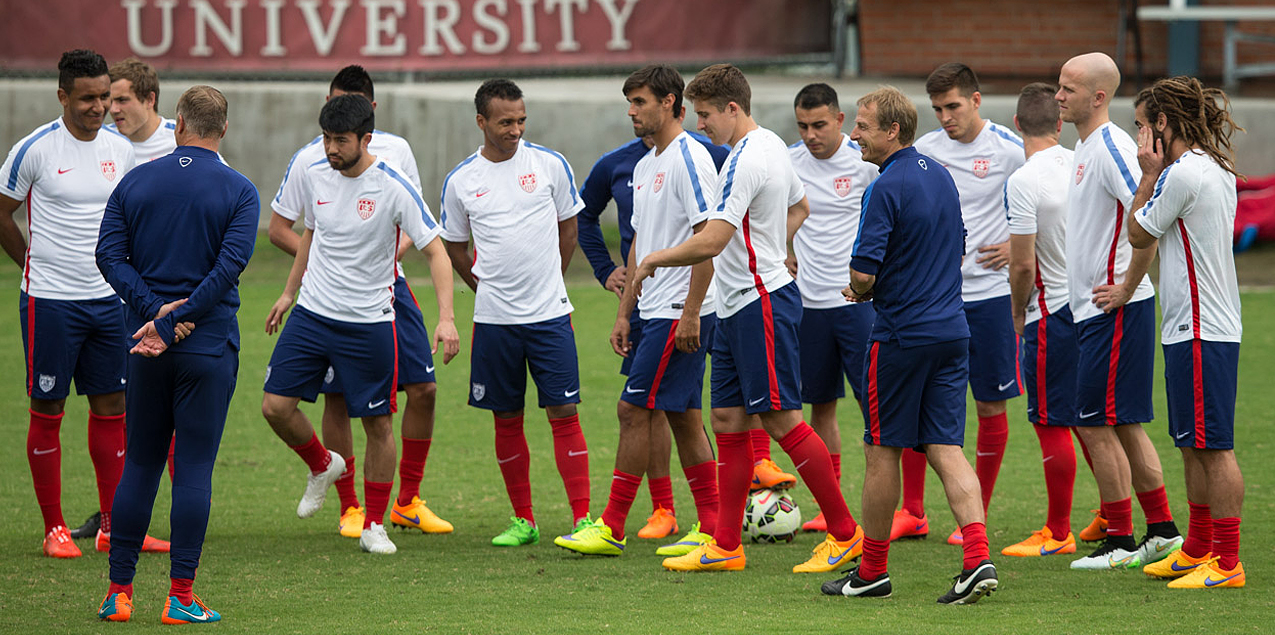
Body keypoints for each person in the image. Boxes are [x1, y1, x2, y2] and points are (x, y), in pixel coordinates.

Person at [632, 64, 861, 574]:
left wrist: (652, 259)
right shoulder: (772, 147)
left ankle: (846, 534)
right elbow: (800, 206)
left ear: (733, 108)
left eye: (707, 114)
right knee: (729, 421)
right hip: (738, 303)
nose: (700, 125)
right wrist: (775, 245)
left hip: (760, 301)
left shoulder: (746, 159)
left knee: (781, 419)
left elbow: (711, 240)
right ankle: (725, 545)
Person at [821, 86, 997, 604]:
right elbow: (957, 246)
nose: (853, 134)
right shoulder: (941, 174)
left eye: (863, 126)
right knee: (946, 446)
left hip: (899, 336)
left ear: (892, 131)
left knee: (882, 451)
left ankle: (872, 570)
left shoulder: (883, 185)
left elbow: (863, 271)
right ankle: (976, 558)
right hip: (952, 332)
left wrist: (858, 289)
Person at [261, 94, 457, 556]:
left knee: (377, 425)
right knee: (275, 407)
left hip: (369, 322)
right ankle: (321, 464)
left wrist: (446, 318)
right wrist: (289, 293)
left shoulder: (392, 186)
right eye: (327, 138)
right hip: (312, 314)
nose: (331, 148)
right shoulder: (315, 175)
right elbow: (312, 233)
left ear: (366, 139)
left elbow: (436, 251)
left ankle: (374, 524)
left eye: (341, 140)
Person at [94, 84, 256, 624]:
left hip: (145, 346)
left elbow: (108, 255)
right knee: (192, 471)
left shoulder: (135, 181)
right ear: (223, 129)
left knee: (139, 463)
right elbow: (228, 269)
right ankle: (181, 598)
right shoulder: (240, 191)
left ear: (179, 123)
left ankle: (119, 594)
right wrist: (180, 319)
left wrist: (155, 315)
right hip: (208, 350)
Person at [0, 49, 169, 558]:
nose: (101, 107)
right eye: (89, 98)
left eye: (105, 96)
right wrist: (33, 265)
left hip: (108, 302)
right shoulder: (35, 149)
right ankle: (53, 527)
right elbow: (3, 213)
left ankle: (113, 526)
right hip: (51, 302)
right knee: (48, 405)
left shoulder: (121, 147)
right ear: (63, 97)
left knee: (113, 407)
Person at [554, 64, 721, 557]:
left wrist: (691, 312)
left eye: (640, 102)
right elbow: (637, 250)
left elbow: (707, 242)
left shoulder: (691, 159)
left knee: (633, 408)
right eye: (629, 102)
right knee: (685, 416)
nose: (631, 111)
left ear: (670, 103)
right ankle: (713, 529)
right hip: (652, 311)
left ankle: (611, 526)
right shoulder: (647, 164)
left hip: (678, 311)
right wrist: (625, 312)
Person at [441, 79, 591, 547]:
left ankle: (584, 519)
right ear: (481, 122)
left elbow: (571, 228)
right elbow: (453, 244)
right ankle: (523, 520)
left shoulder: (549, 164)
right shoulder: (461, 180)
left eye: (521, 119)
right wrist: (481, 287)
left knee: (564, 411)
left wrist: (552, 278)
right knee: (505, 418)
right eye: (506, 121)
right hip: (493, 322)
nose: (516, 129)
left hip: (549, 315)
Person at [1055, 52, 1182, 570]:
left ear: (1098, 97)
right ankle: (1163, 530)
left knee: (1094, 423)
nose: (1059, 96)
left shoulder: (1111, 147)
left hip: (1113, 311)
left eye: (1068, 88)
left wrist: (1128, 287)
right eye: (1059, 87)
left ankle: (1122, 540)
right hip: (1095, 311)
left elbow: (1149, 218)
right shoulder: (1086, 146)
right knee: (1121, 424)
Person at [1126, 76, 1246, 588]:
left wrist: (1148, 176)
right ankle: (1198, 547)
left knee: (1213, 446)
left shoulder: (1182, 175)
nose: (1137, 138)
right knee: (1192, 443)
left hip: (1201, 330)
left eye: (1140, 125)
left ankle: (1227, 562)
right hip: (1192, 328)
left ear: (1162, 125)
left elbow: (1137, 232)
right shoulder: (1212, 168)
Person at [904, 63, 1025, 545]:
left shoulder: (1010, 151)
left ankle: (977, 515)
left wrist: (1020, 249)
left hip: (992, 297)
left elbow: (1058, 202)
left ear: (976, 100)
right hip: (934, 298)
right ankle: (912, 512)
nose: (945, 117)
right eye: (936, 109)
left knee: (991, 407)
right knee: (913, 404)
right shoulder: (924, 152)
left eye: (952, 106)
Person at [787, 82, 878, 533]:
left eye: (819, 124)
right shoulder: (787, 162)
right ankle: (831, 506)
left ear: (840, 121)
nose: (810, 135)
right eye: (802, 125)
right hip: (806, 304)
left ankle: (900, 507)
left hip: (857, 304)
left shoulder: (865, 163)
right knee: (819, 407)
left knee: (875, 406)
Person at [1002, 82, 1082, 557]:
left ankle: (1057, 532)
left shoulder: (1023, 179)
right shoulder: (1081, 162)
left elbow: (1022, 264)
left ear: (1016, 126)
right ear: (1059, 122)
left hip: (1051, 311)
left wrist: (1017, 312)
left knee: (1051, 421)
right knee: (1092, 419)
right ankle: (1108, 515)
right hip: (1094, 304)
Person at [106, 58, 176, 163]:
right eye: (110, 101)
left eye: (122, 100)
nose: (113, 109)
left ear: (149, 99)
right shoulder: (101, 140)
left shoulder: (182, 138)